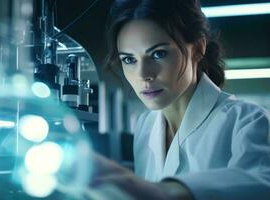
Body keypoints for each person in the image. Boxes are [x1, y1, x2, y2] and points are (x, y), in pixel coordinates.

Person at [89, 0, 270, 199]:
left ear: (198, 48)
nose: (143, 74)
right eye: (129, 59)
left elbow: (262, 180)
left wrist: (165, 192)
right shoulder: (145, 126)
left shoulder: (247, 120)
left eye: (158, 54)